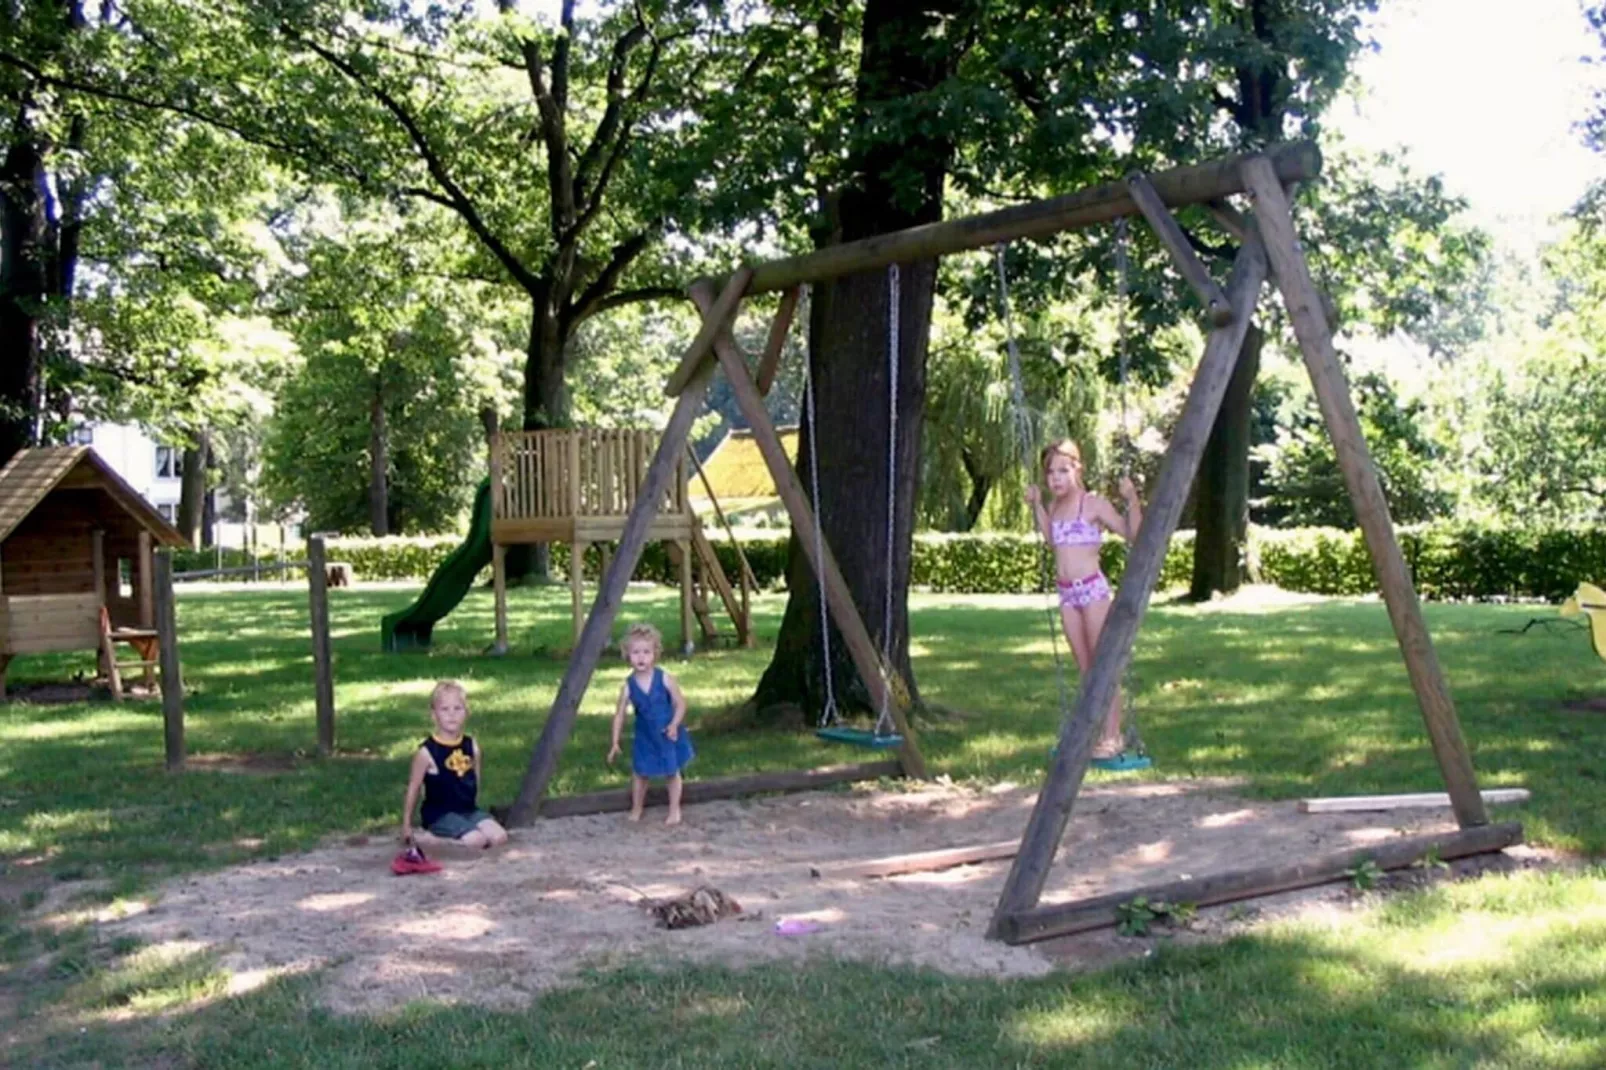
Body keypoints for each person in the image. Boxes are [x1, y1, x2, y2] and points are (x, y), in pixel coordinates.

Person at [1025, 439, 1149, 770]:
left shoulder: (1093, 504)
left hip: (1092, 592)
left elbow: (1131, 533)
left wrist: (1132, 499)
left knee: (1103, 665)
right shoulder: (1054, 507)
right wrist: (1036, 505)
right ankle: (1094, 734)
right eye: (1050, 472)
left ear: (1078, 469)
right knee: (1085, 669)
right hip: (1067, 594)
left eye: (1063, 470)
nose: (1056, 479)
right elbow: (1052, 539)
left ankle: (1113, 735)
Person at [401, 680, 509, 848]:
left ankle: (465, 830)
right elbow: (413, 788)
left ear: (466, 712)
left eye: (457, 709)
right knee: (476, 841)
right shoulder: (427, 752)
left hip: (468, 810)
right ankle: (432, 841)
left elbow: (475, 778)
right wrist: (406, 825)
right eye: (445, 709)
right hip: (440, 815)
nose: (452, 714)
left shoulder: (471, 745)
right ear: (434, 714)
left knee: (499, 837)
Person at [608, 622, 694, 824]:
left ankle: (674, 809)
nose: (641, 657)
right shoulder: (628, 686)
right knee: (640, 773)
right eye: (635, 652)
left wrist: (674, 724)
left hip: (667, 732)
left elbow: (680, 703)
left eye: (646, 652)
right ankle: (637, 807)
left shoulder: (664, 678)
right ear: (627, 654)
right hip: (645, 735)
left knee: (672, 771)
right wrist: (615, 742)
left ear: (655, 654)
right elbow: (619, 714)